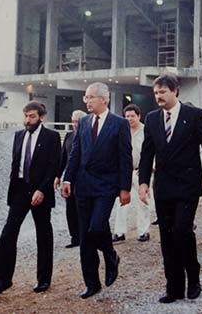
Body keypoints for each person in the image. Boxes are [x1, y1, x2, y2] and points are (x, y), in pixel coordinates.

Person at [138, 74, 202, 303]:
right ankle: (173, 287)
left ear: (175, 91)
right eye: (156, 93)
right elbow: (147, 153)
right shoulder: (152, 118)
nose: (158, 96)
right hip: (164, 187)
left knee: (182, 231)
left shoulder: (194, 115)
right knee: (167, 237)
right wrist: (143, 183)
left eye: (163, 92)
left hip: (188, 185)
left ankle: (193, 278)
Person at [61, 82, 133, 299]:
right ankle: (91, 283)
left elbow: (125, 157)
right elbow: (75, 153)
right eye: (86, 97)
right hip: (82, 186)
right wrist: (67, 179)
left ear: (104, 99)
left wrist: (124, 188)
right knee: (85, 236)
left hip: (106, 186)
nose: (87, 101)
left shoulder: (119, 124)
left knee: (96, 227)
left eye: (91, 97)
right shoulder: (82, 123)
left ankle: (110, 255)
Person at [0, 101, 61, 295]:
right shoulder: (18, 136)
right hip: (20, 190)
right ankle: (2, 279)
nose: (28, 120)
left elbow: (54, 166)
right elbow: (16, 164)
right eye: (26, 116)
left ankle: (44, 278)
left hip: (40, 192)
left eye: (32, 116)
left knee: (43, 234)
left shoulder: (52, 137)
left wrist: (43, 190)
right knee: (8, 232)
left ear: (41, 117)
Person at [112, 104, 151, 243]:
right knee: (122, 202)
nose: (129, 119)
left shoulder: (146, 130)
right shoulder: (122, 131)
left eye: (132, 116)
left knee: (143, 202)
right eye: (127, 116)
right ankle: (119, 232)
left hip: (141, 172)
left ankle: (143, 231)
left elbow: (154, 151)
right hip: (124, 172)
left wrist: (150, 167)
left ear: (139, 116)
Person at [54, 109, 87, 248]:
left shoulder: (88, 136)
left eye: (77, 121)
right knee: (70, 209)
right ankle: (75, 237)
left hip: (85, 179)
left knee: (83, 209)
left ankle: (85, 237)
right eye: (73, 121)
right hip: (69, 179)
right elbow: (63, 157)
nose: (74, 124)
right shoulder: (68, 136)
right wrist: (58, 175)